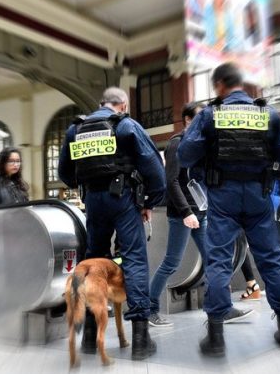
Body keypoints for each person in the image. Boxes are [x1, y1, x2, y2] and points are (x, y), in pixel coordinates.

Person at [178, 62, 280, 357]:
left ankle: (216, 336)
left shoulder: (210, 115)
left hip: (222, 198)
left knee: (219, 260)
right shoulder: (267, 114)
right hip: (259, 196)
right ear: (240, 83)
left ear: (219, 85)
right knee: (270, 259)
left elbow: (184, 155)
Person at [58, 87, 166, 361]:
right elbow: (154, 168)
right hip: (124, 199)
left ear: (101, 103)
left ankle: (90, 337)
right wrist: (150, 201)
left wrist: (89, 185)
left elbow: (65, 174)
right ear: (123, 105)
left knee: (93, 262)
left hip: (93, 201)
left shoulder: (76, 129)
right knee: (134, 260)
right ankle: (141, 338)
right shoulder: (126, 125)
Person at [149, 102, 251, 327]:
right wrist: (186, 212)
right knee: (171, 263)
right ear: (187, 120)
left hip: (202, 212)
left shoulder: (201, 145)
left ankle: (220, 309)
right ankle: (150, 309)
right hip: (183, 215)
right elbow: (172, 181)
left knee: (213, 260)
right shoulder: (177, 144)